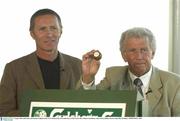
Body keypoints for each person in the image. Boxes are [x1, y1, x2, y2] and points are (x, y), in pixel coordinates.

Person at [80, 27, 180, 116]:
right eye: (132, 50)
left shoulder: (174, 83)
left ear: (152, 53)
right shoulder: (113, 76)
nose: (139, 57)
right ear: (124, 56)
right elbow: (87, 105)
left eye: (144, 50)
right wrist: (88, 77)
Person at [0, 8, 82, 116]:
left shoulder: (77, 65)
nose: (49, 34)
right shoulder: (14, 68)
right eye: (42, 29)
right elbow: (3, 112)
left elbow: (88, 105)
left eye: (53, 28)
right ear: (32, 34)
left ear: (60, 31)